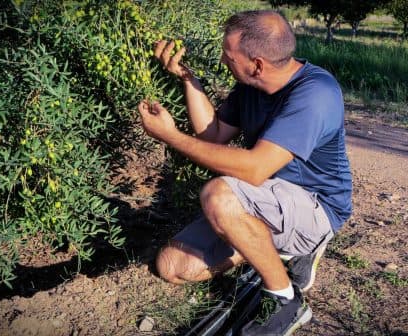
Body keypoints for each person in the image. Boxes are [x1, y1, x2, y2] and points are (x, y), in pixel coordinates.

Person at [137, 9, 352, 336]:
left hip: (315, 207)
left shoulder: (316, 93)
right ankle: (269, 246)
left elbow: (253, 170)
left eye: (229, 56)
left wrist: (169, 135)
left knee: (218, 194)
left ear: (258, 63)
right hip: (261, 200)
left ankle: (285, 301)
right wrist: (187, 79)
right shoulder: (251, 85)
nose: (224, 60)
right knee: (172, 266)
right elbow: (213, 136)